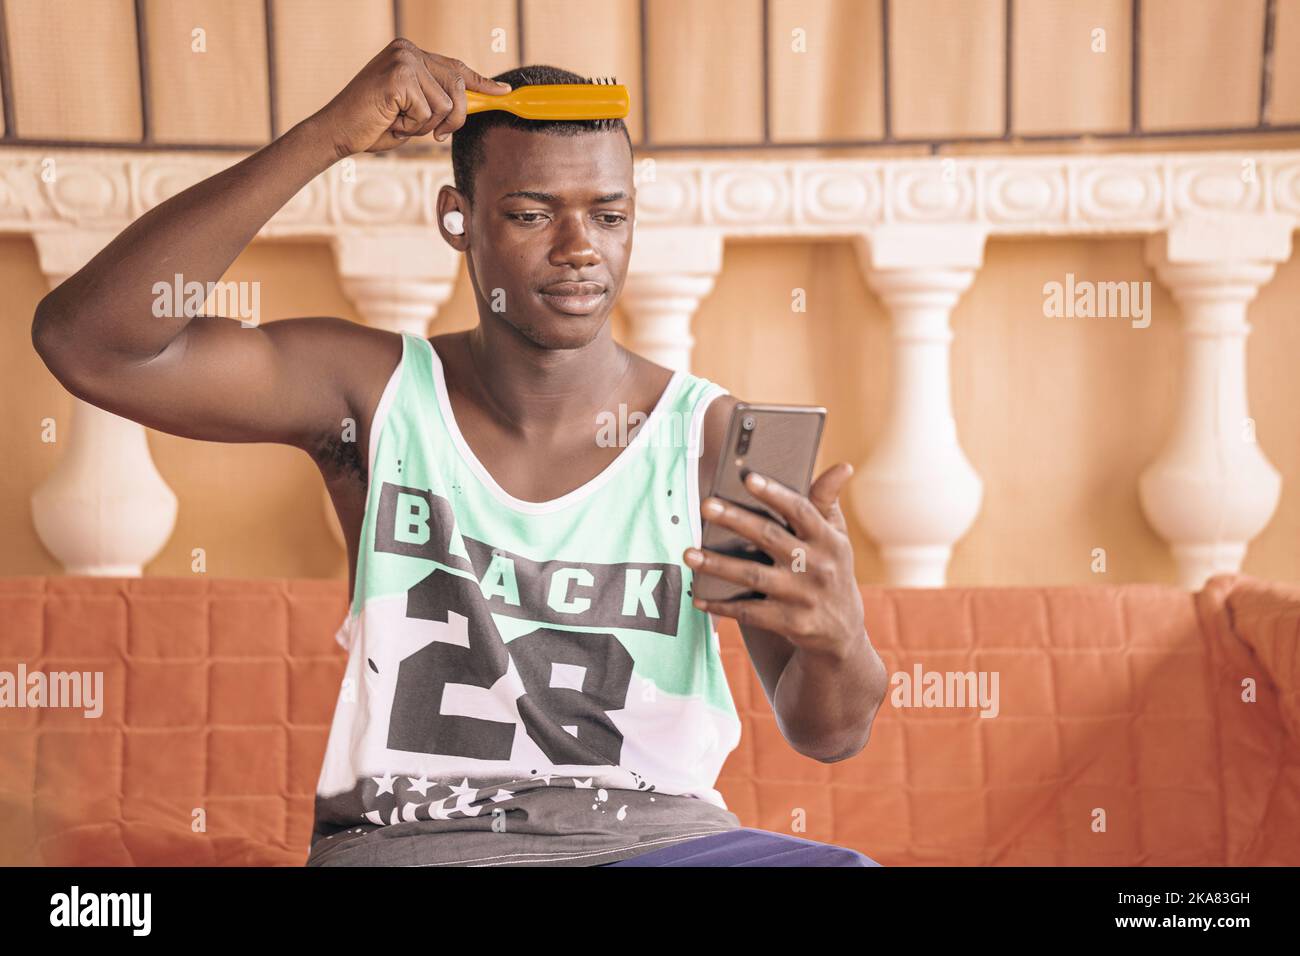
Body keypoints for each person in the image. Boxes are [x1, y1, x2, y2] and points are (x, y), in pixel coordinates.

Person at [31, 39, 889, 867]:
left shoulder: (706, 441)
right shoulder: (370, 394)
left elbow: (829, 733)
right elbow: (90, 344)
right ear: (459, 219)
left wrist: (839, 639)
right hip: (417, 847)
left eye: (609, 214)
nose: (579, 246)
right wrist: (327, 135)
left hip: (663, 844)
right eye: (529, 214)